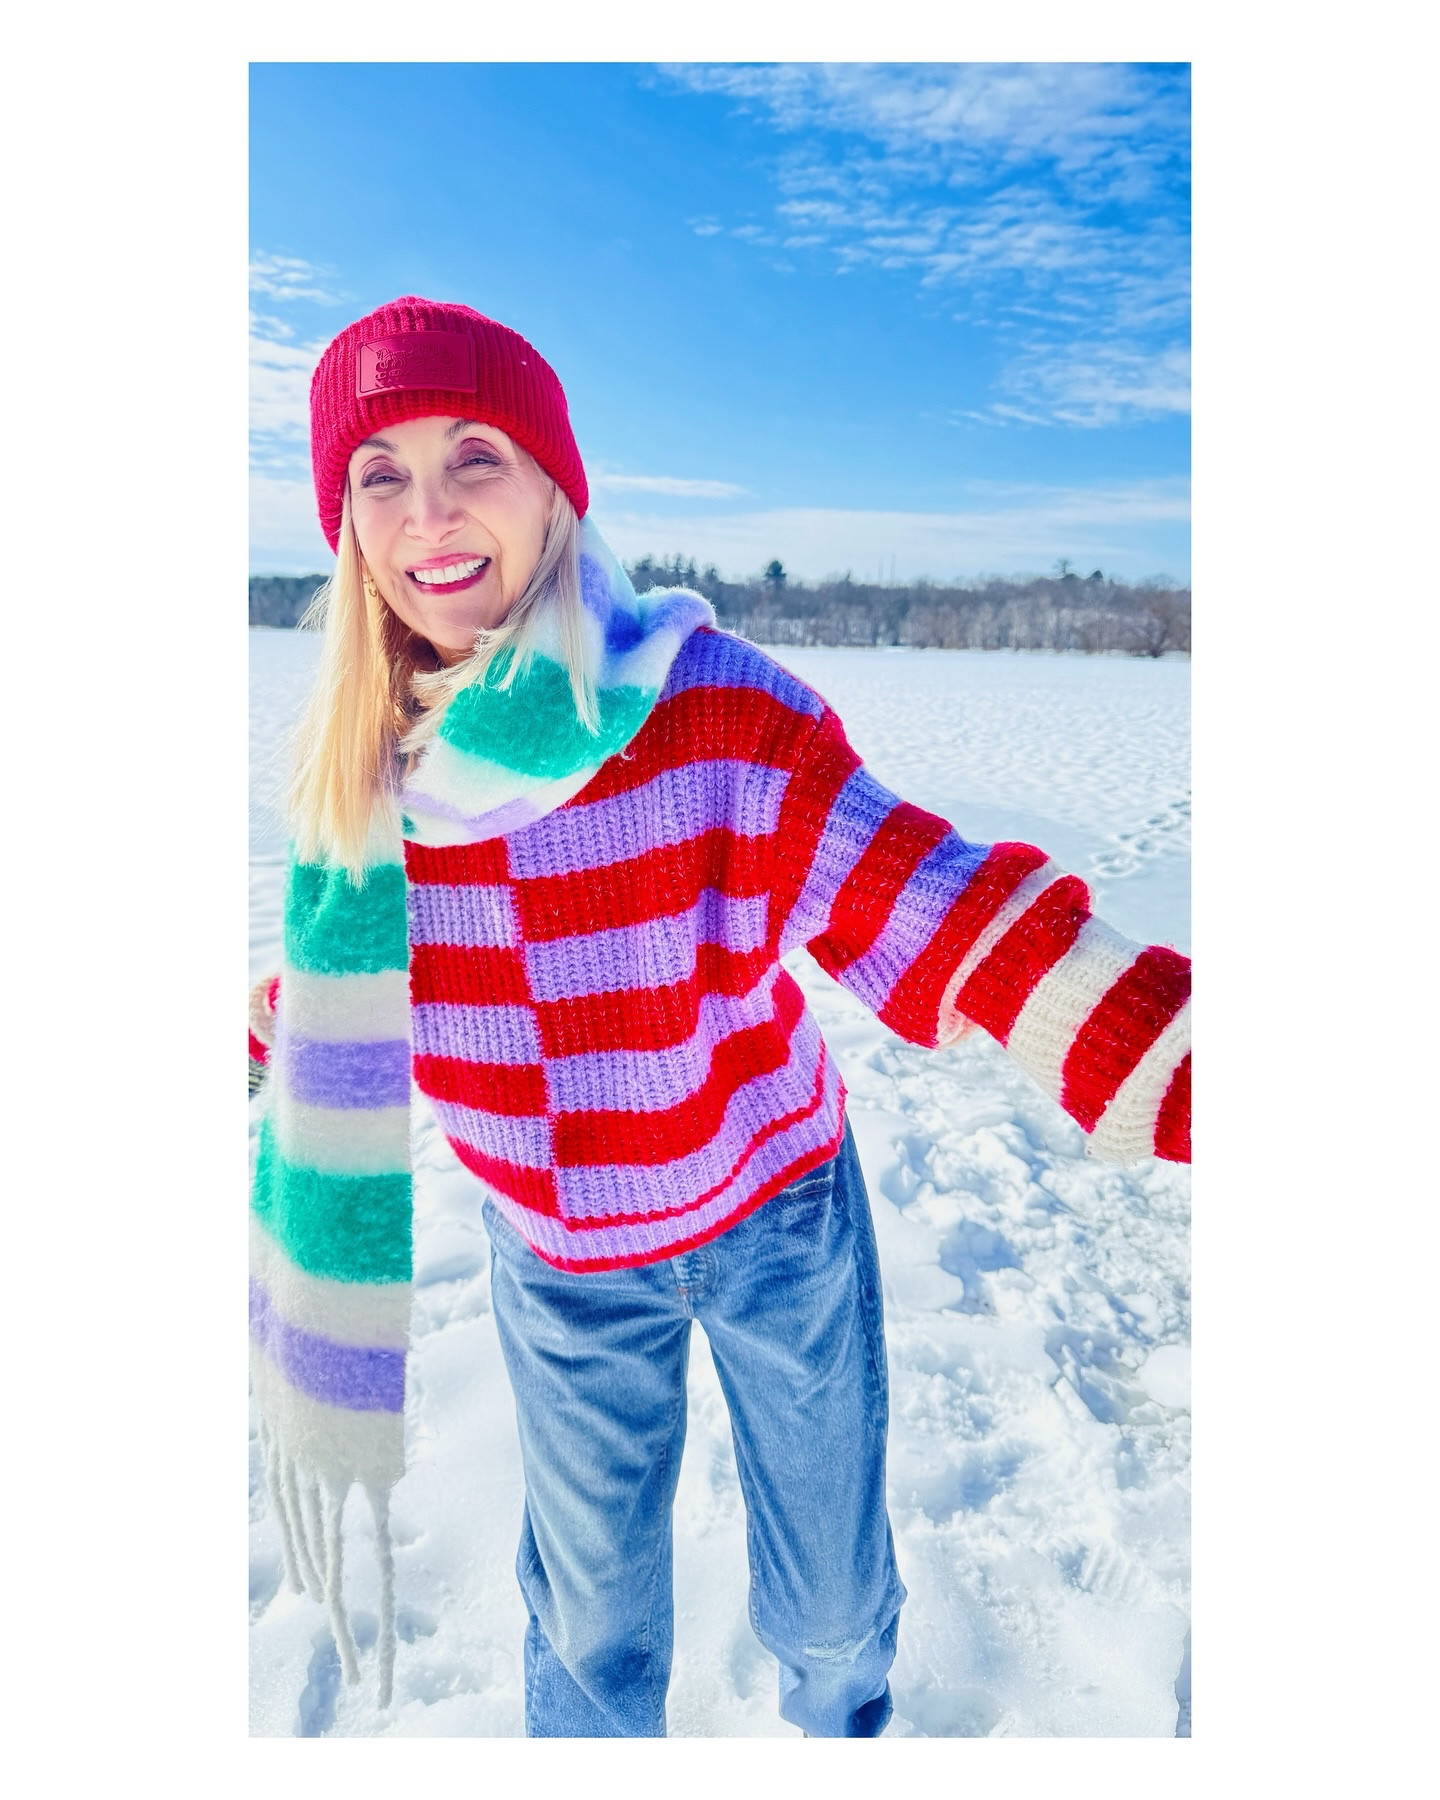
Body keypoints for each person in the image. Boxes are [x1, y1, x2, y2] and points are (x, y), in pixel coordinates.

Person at [248, 295, 1191, 1738]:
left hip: (770, 1215)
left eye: (475, 454)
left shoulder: (703, 713)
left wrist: (1167, 1053)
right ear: (344, 520)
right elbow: (338, 1009)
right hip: (562, 1265)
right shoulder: (365, 785)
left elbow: (920, 899)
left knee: (827, 1605)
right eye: (379, 472)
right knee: (590, 1629)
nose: (427, 508)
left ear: (558, 484)